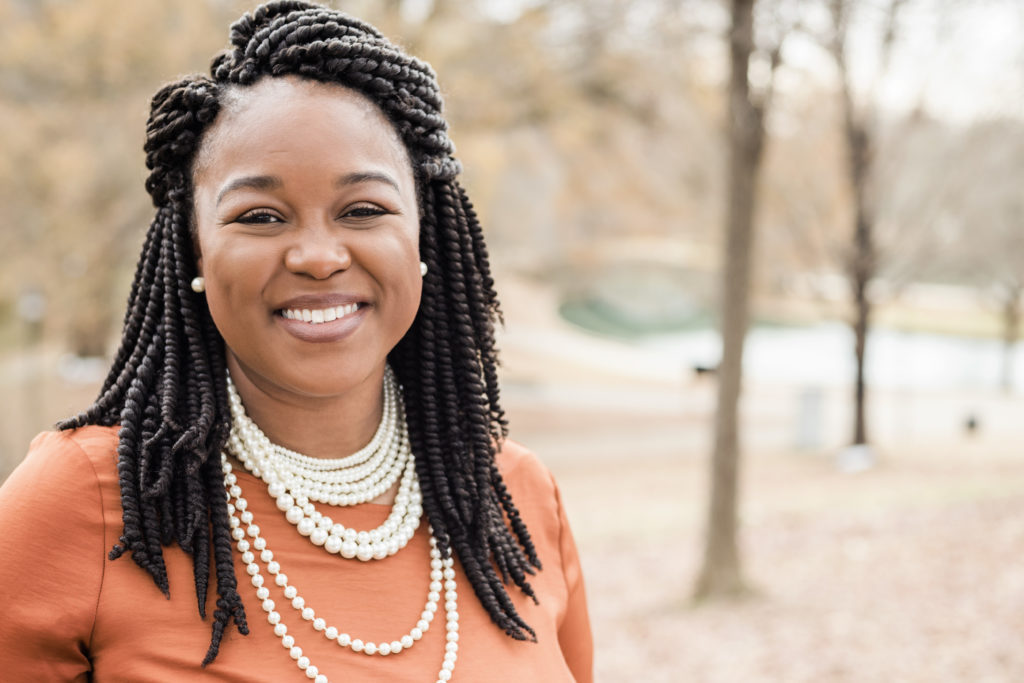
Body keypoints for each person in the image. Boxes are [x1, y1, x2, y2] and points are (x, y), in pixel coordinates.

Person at [0, 2, 593, 681]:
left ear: (423, 238)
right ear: (195, 251)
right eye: (260, 215)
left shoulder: (516, 495)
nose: (317, 256)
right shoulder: (78, 502)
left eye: (364, 209)